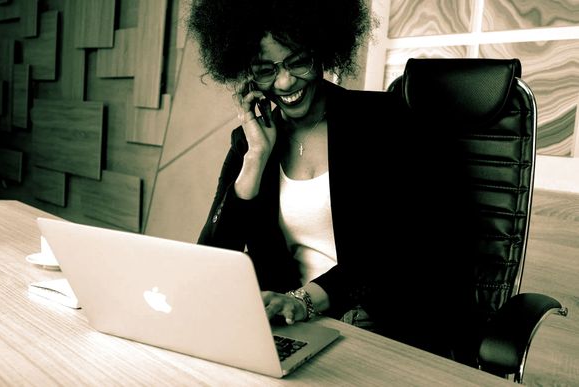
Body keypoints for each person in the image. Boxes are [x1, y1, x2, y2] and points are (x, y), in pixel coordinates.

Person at [187, 0, 478, 362]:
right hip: (291, 328)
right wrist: (255, 159)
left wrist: (304, 300)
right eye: (266, 70)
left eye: (297, 61)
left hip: (380, 323)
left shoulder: (382, 124)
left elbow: (400, 245)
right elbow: (214, 256)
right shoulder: (252, 141)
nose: (285, 81)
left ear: (322, 50)